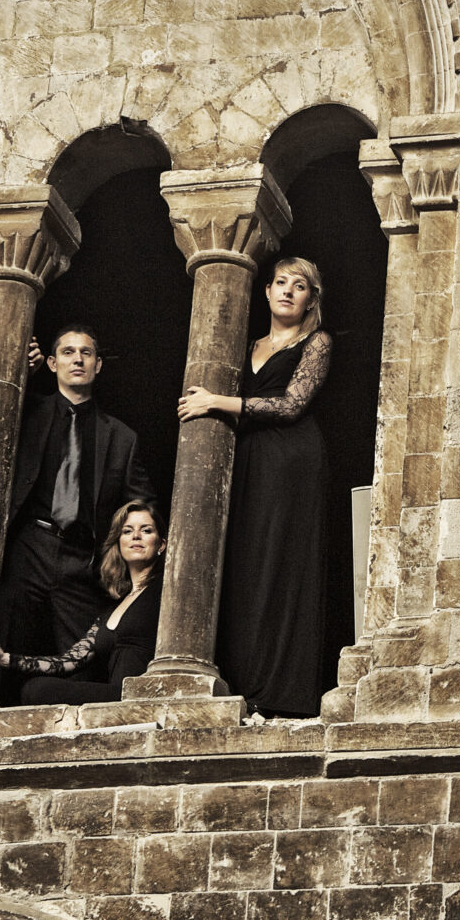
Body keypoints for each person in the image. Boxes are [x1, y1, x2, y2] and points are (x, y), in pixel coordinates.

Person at [177, 256, 332, 716]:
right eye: (280, 282)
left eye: (299, 285)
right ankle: (243, 679)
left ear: (311, 299)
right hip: (250, 455)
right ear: (265, 292)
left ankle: (283, 692)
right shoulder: (245, 345)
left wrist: (214, 402)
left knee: (281, 560)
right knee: (245, 561)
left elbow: (291, 404)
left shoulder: (316, 342)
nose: (287, 291)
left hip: (293, 460)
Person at [0, 323, 154, 669]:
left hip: (83, 560)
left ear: (98, 365)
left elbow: (144, 505)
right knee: (2, 647)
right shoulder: (26, 409)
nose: (78, 360)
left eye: (86, 353)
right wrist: (18, 373)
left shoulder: (121, 437)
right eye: (68, 352)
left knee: (83, 662)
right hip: (29, 547)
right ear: (51, 363)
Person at [0, 501, 163, 703]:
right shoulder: (112, 609)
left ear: (161, 544)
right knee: (33, 688)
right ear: (119, 543)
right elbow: (71, 660)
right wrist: (6, 659)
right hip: (113, 698)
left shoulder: (164, 591)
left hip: (140, 697)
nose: (136, 536)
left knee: (38, 690)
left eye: (146, 530)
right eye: (127, 531)